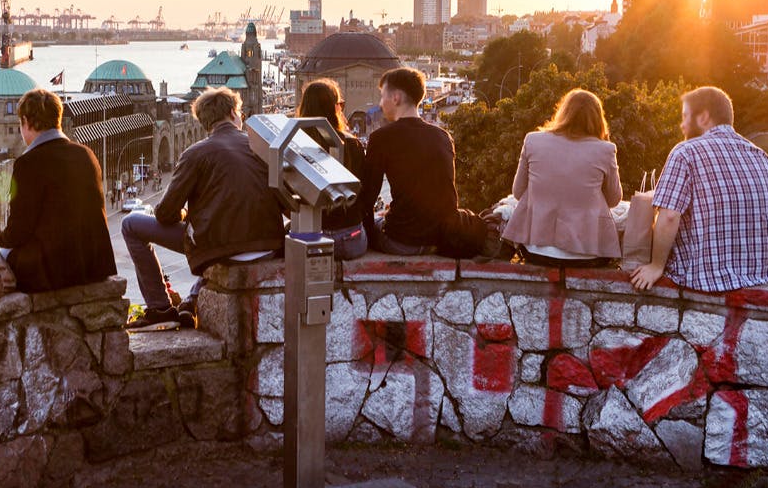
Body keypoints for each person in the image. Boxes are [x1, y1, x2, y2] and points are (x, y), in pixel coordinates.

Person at [123, 87, 285, 331]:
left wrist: (185, 214)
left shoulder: (195, 154)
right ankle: (190, 302)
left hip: (219, 249)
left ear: (204, 121)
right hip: (268, 247)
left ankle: (159, 309)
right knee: (214, 233)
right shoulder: (262, 148)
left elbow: (164, 214)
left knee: (130, 224)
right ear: (234, 113)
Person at [631, 86, 768, 292]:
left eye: (685, 116)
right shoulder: (760, 155)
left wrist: (656, 266)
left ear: (703, 117)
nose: (682, 125)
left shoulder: (685, 152)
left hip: (705, 277)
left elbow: (669, 216)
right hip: (762, 273)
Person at [358, 67, 498, 259]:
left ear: (396, 98)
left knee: (374, 223)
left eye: (383, 97)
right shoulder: (443, 136)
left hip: (402, 242)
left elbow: (367, 198)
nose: (381, 104)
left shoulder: (381, 138)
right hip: (442, 238)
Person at [0, 88, 117, 292]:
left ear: (25, 121)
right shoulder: (86, 154)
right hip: (94, 266)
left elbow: (18, 231)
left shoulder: (28, 163)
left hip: (55, 271)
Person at [502, 89, 622, 265]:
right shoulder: (606, 150)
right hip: (589, 255)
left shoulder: (532, 140)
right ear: (598, 118)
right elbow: (614, 199)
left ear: (563, 112)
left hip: (536, 251)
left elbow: (518, 192)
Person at [296, 78, 368, 259]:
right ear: (335, 108)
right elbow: (364, 193)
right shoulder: (352, 144)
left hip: (310, 239)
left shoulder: (294, 144)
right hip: (350, 240)